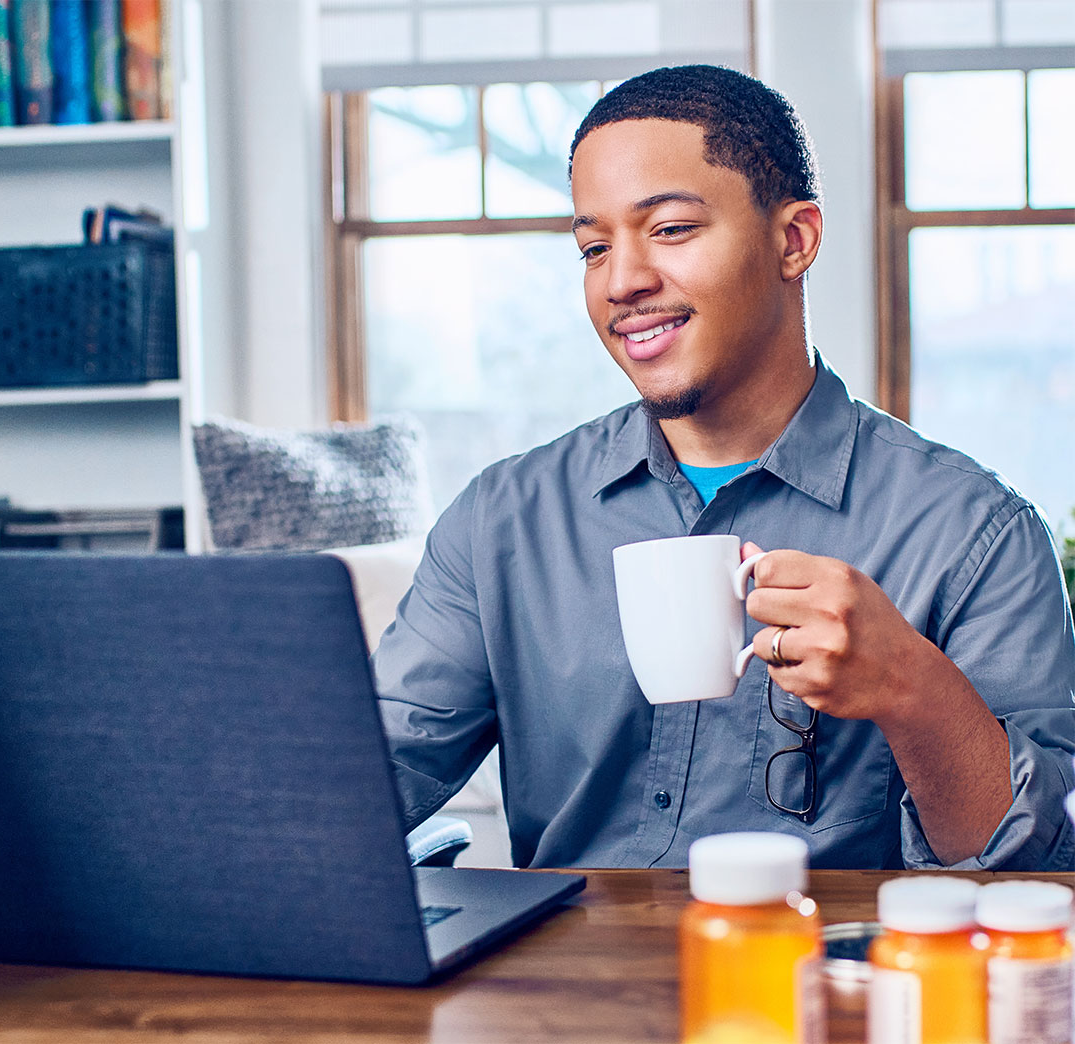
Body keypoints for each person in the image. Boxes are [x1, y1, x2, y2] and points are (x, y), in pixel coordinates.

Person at [372, 64, 1075, 870]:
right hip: (558, 989)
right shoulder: (500, 519)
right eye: (594, 247)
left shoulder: (974, 533)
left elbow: (1042, 877)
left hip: (823, 982)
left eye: (670, 229)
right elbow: (372, 773)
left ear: (794, 240)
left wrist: (912, 690)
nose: (622, 281)